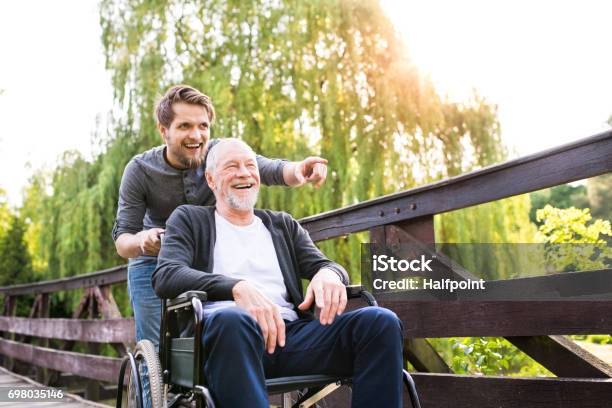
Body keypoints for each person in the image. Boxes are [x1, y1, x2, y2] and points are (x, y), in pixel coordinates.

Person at [152, 139, 404, 407]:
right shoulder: (189, 219)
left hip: (291, 337)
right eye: (232, 166)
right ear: (212, 180)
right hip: (226, 340)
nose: (244, 173)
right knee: (233, 319)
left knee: (380, 322)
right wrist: (236, 288)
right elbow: (167, 275)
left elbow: (325, 264)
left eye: (250, 166)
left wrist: (329, 274)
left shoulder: (282, 224)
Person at [112, 85, 329, 350]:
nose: (196, 135)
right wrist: (143, 240)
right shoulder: (139, 170)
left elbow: (269, 169)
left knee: (208, 339)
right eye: (184, 126)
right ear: (163, 130)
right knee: (156, 349)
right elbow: (122, 241)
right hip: (152, 263)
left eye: (203, 126)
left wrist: (301, 170)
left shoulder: (219, 155)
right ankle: (154, 389)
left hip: (203, 258)